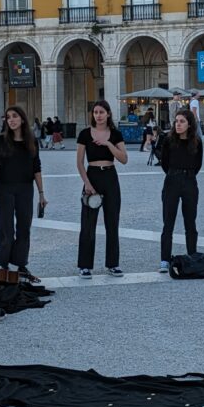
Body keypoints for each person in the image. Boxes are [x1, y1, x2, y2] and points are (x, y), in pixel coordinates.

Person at [0, 105, 47, 281]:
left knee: (24, 228)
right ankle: (4, 265)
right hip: (4, 188)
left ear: (22, 119)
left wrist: (42, 194)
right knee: (5, 227)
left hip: (25, 189)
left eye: (14, 116)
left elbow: (37, 168)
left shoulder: (32, 142)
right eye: (8, 117)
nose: (11, 120)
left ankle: (21, 265)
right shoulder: (0, 141)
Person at [76, 99, 128, 277]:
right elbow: (79, 162)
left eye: (101, 112)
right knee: (88, 224)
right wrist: (87, 184)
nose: (98, 115)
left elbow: (124, 158)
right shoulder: (84, 134)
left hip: (110, 176)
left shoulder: (115, 134)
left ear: (108, 114)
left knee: (112, 223)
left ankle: (113, 264)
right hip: (92, 176)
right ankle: (85, 265)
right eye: (95, 112)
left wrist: (108, 145)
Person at [159, 108, 204, 273]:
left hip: (190, 181)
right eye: (176, 121)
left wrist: (187, 175)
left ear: (189, 124)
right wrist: (175, 174)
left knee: (190, 222)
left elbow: (198, 164)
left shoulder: (196, 142)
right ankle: (164, 259)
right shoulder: (168, 140)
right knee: (168, 222)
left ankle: (192, 255)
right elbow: (164, 162)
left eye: (182, 121)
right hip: (172, 180)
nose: (178, 124)